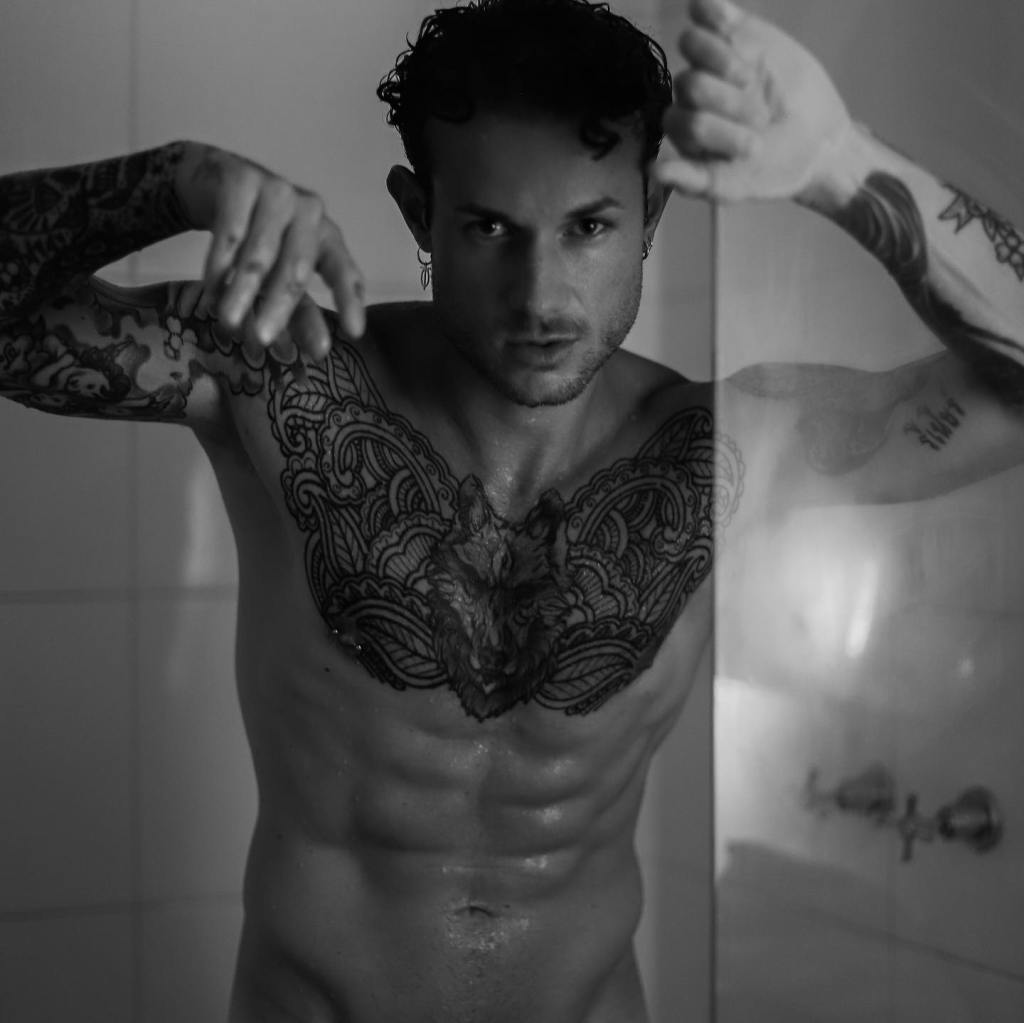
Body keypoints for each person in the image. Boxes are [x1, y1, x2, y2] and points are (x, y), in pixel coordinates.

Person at [2, 0, 1022, 1019]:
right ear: (419, 214)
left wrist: (844, 166)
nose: (540, 296)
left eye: (589, 227)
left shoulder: (723, 452)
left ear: (652, 213)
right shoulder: (283, 380)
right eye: (490, 227)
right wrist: (175, 181)